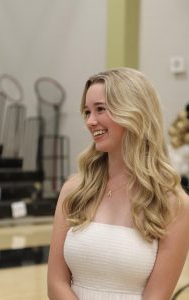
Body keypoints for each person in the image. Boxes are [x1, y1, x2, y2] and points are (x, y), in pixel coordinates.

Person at [47, 67, 189, 300]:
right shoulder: (74, 190)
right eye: (87, 112)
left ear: (134, 113)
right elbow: (55, 282)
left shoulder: (173, 203)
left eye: (100, 109)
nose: (91, 121)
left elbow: (157, 297)